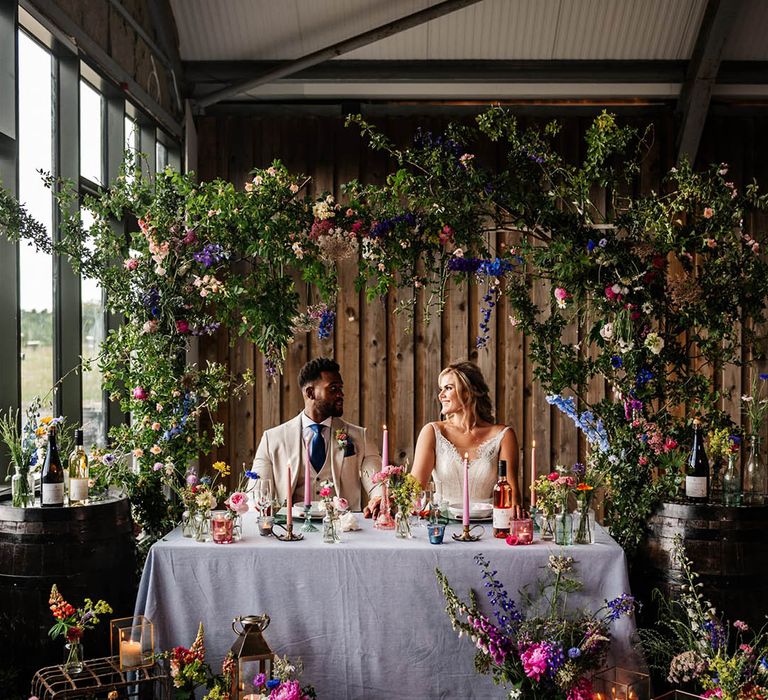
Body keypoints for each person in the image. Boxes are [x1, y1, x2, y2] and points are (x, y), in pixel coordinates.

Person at [251, 357, 380, 512]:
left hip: (342, 530)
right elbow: (256, 491)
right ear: (310, 393)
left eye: (341, 388)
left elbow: (377, 483)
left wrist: (379, 499)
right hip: (290, 531)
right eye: (333, 389)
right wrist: (257, 505)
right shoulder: (272, 439)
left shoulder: (361, 437)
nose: (341, 394)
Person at [410, 361, 523, 516]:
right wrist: (386, 497)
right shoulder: (433, 432)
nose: (440, 395)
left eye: (448, 388)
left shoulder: (503, 435)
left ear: (468, 392)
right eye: (441, 389)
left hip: (489, 526)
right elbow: (413, 491)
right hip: (442, 525)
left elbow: (513, 497)